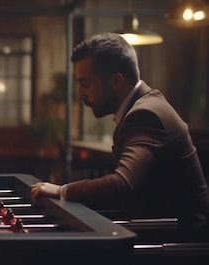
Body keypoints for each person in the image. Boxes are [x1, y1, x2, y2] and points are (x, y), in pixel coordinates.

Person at [31, 32, 209, 239]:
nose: (80, 94)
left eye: (85, 84)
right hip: (159, 229)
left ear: (116, 81)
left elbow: (122, 183)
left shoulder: (146, 114)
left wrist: (62, 191)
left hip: (180, 245)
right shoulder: (143, 107)